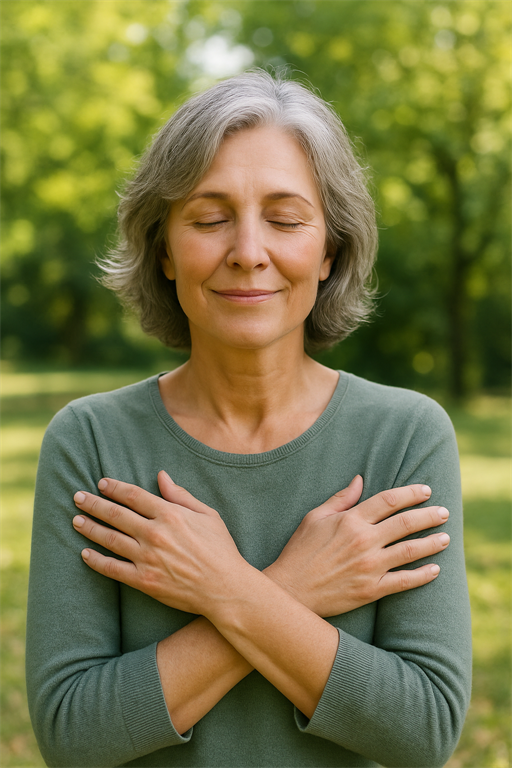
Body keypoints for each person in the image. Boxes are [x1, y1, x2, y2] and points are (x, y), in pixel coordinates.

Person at [26, 71, 471, 768]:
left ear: (328, 251)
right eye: (209, 218)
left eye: (286, 219)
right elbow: (72, 736)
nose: (248, 250)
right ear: (165, 248)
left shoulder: (406, 436)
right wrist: (294, 589)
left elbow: (423, 732)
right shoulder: (90, 441)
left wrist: (222, 586)